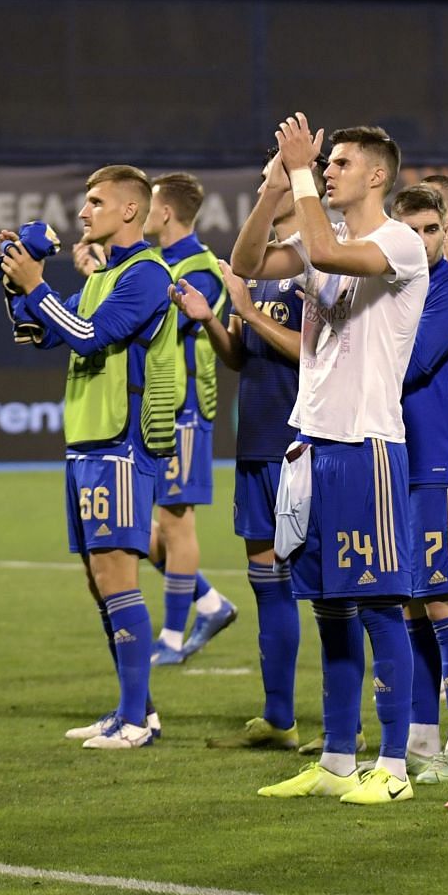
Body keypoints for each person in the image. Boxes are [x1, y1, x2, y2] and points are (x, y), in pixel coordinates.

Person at [232, 114, 428, 806]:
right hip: (310, 444)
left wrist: (304, 178)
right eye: (328, 163)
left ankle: (396, 767)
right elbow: (249, 264)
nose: (332, 170)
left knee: (379, 605)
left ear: (376, 174)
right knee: (331, 610)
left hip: (367, 445)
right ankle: (339, 759)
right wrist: (275, 185)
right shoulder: (325, 233)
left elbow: (324, 249)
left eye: (342, 162)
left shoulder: (399, 242)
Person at [5, 165, 179, 750]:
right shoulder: (105, 276)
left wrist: (37, 286)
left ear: (130, 210)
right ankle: (138, 711)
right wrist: (17, 288)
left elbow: (88, 336)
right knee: (97, 579)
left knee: (116, 576)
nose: (83, 212)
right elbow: (44, 334)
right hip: (87, 442)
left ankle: (134, 723)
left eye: (96, 201)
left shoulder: (147, 275)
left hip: (121, 446)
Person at [175, 197, 308, 751]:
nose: (265, 190)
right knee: (268, 587)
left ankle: (362, 728)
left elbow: (319, 354)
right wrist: (211, 320)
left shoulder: (318, 265)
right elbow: (239, 356)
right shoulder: (254, 271)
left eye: (274, 181)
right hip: (255, 445)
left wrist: (249, 312)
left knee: (335, 591)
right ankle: (279, 718)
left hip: (304, 448)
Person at [386, 184, 448, 786]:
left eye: (433, 229)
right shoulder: (390, 289)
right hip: (393, 466)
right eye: (413, 229)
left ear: (446, 232)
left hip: (439, 467)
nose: (424, 241)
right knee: (408, 605)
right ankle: (420, 736)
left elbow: (412, 362)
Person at [144, 172, 237, 666]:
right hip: (151, 411)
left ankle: (172, 640)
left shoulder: (200, 269)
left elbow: (155, 324)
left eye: (149, 204)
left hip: (183, 412)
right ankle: (210, 603)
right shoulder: (156, 263)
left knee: (175, 526)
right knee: (141, 528)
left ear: (165, 212)